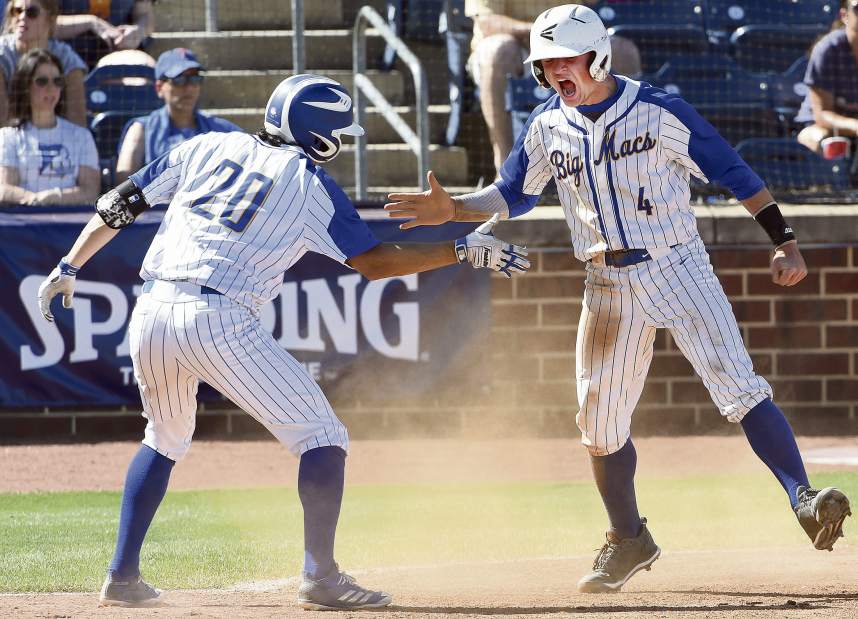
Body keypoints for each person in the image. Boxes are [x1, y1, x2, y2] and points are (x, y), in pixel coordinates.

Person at [385, 4, 852, 594]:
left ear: (597, 57)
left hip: (678, 266)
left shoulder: (658, 111)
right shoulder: (548, 123)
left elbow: (732, 170)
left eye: (564, 60)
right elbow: (512, 194)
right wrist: (457, 209)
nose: (554, 72)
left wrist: (784, 240)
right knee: (599, 424)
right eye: (545, 64)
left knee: (738, 386)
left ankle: (804, 500)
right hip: (606, 284)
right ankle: (628, 537)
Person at [36, 74, 529, 609]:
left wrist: (69, 265)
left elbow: (120, 203)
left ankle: (122, 576)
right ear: (318, 133)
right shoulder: (309, 184)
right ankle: (321, 577)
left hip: (151, 310)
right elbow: (377, 263)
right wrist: (460, 249)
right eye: (339, 131)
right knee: (323, 436)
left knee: (164, 437)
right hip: (218, 316)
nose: (342, 141)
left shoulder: (207, 144)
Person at [465, 0, 641, 177]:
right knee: (498, 50)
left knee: (623, 50)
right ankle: (506, 171)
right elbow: (487, 22)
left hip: (571, 43)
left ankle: (626, 162)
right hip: (517, 47)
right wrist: (542, 34)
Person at [114, 47, 241, 185]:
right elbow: (124, 184)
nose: (190, 88)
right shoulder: (141, 129)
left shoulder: (222, 130)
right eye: (179, 79)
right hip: (159, 206)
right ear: (159, 88)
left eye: (195, 78)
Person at [0, 48, 97, 204]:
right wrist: (33, 199)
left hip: (70, 224)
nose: (51, 88)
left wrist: (56, 196)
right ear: (25, 86)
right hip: (24, 223)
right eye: (42, 81)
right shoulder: (8, 136)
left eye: (57, 81)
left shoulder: (81, 136)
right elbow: (4, 188)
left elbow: (90, 191)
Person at [0, 0, 86, 126]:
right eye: (17, 11)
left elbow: (78, 123)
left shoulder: (67, 59)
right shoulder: (2, 54)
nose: (22, 17)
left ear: (50, 19)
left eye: (32, 13)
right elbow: (2, 121)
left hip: (57, 139)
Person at [795, 0, 858, 154]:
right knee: (816, 138)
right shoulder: (827, 49)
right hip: (824, 128)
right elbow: (822, 114)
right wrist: (856, 126)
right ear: (845, 15)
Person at [53, 0, 154, 68]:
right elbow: (42, 24)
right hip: (65, 57)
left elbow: (145, 16)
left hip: (119, 55)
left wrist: (137, 31)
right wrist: (91, 22)